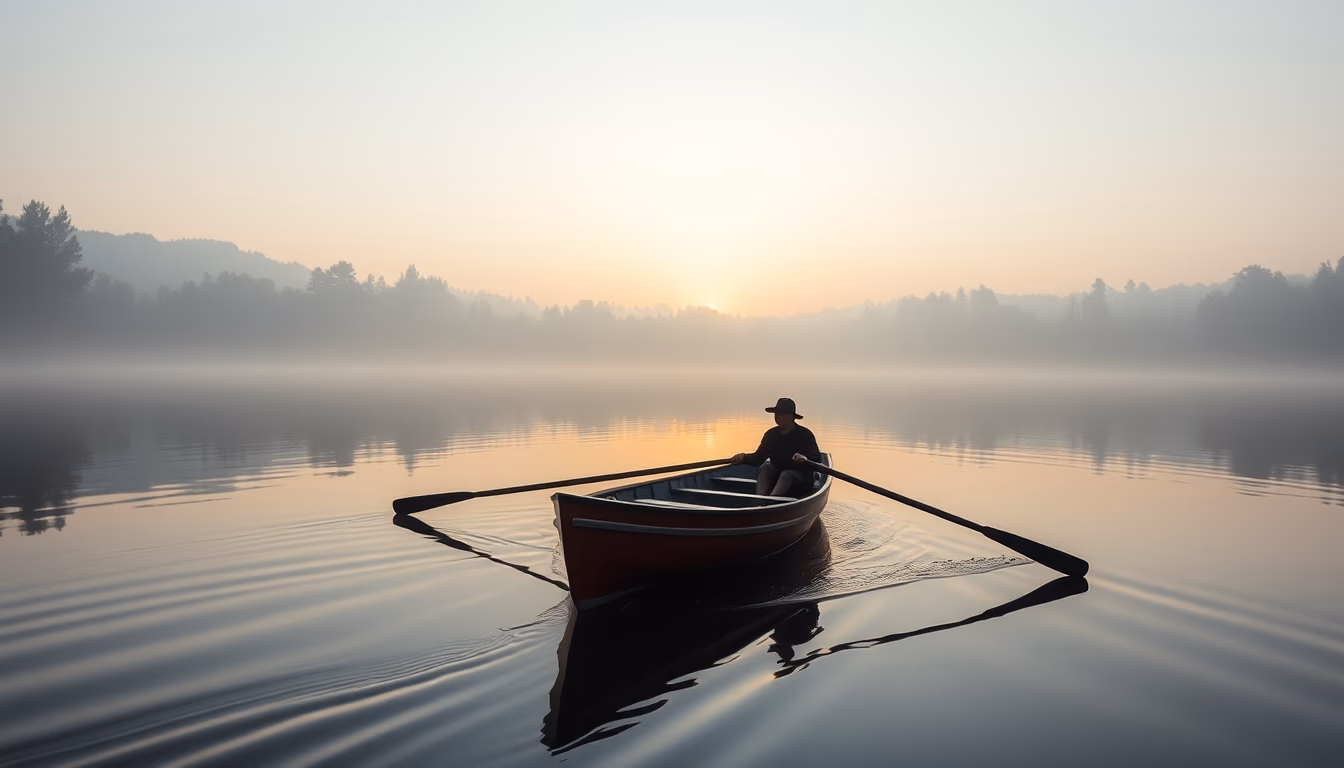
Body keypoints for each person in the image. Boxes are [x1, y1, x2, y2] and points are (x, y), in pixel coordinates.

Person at [731, 397, 823, 497]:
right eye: (777, 414)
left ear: (792, 416)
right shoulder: (771, 435)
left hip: (801, 479)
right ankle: (760, 500)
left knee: (787, 474)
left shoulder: (805, 434)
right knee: (766, 467)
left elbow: (817, 460)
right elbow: (757, 458)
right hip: (778, 476)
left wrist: (804, 458)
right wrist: (743, 457)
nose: (779, 417)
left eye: (783, 414)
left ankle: (771, 502)